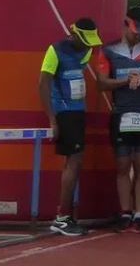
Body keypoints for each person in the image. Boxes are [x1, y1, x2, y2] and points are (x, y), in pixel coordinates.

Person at [98, 7, 140, 233]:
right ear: (126, 25)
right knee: (123, 164)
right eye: (136, 31)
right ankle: (125, 212)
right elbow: (101, 83)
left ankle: (139, 213)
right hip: (120, 113)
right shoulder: (108, 50)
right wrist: (126, 81)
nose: (139, 35)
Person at [39, 18, 103, 237]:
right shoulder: (55, 50)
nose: (87, 45)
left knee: (76, 161)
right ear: (73, 34)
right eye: (84, 40)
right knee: (73, 162)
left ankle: (67, 216)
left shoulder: (86, 51)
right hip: (64, 112)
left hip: (79, 110)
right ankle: (62, 217)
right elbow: (43, 83)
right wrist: (52, 119)